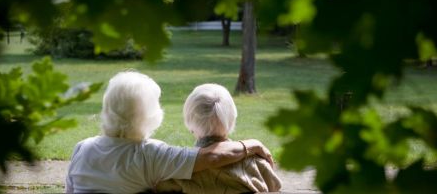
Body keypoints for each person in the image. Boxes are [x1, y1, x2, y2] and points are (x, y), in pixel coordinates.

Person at [65, 71, 273, 193]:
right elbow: (213, 156)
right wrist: (252, 144)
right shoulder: (149, 155)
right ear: (149, 114)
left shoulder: (82, 149)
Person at [155, 83, 282, 193]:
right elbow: (275, 187)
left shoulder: (178, 173)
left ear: (189, 122)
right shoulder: (258, 164)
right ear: (232, 119)